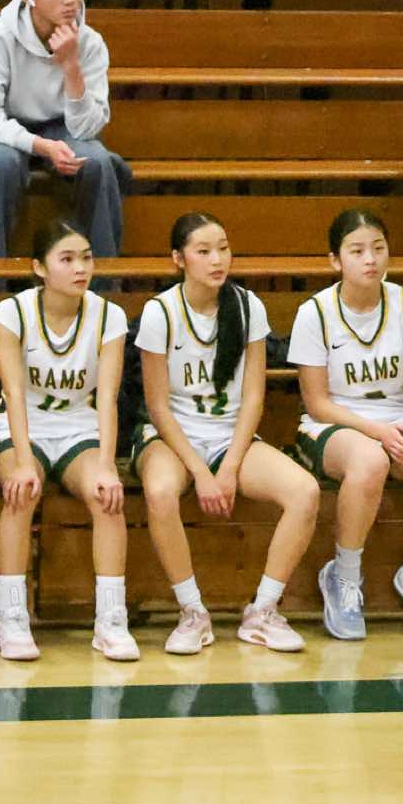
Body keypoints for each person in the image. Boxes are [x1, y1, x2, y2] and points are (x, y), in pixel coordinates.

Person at [134, 211, 318, 655]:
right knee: (160, 491)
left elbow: (253, 398)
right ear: (178, 259)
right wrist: (201, 473)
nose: (217, 259)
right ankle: (192, 612)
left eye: (223, 248)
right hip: (171, 437)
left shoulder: (247, 306)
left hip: (229, 437)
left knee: (305, 492)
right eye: (204, 251)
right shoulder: (160, 312)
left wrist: (229, 467)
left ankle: (263, 610)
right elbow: (158, 406)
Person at [290, 209, 403, 642]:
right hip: (333, 425)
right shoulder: (314, 312)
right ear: (335, 260)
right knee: (371, 461)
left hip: (396, 421)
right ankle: (344, 576)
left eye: (378, 248)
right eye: (356, 251)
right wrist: (382, 434)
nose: (370, 259)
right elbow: (317, 403)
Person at [0, 219, 133, 662]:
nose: (80, 268)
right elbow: (13, 392)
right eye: (66, 259)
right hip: (22, 426)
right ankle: (12, 617)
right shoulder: (12, 312)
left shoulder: (109, 315)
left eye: (86, 258)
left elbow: (107, 397)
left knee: (107, 497)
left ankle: (111, 620)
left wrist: (107, 465)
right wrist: (22, 461)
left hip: (78, 427)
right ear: (39, 267)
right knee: (22, 490)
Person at [0, 0, 129, 275]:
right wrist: (42, 147)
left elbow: (88, 129)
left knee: (98, 162)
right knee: (1, 164)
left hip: (59, 124)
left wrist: (71, 66)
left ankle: (104, 283)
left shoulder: (90, 42)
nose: (70, 0)